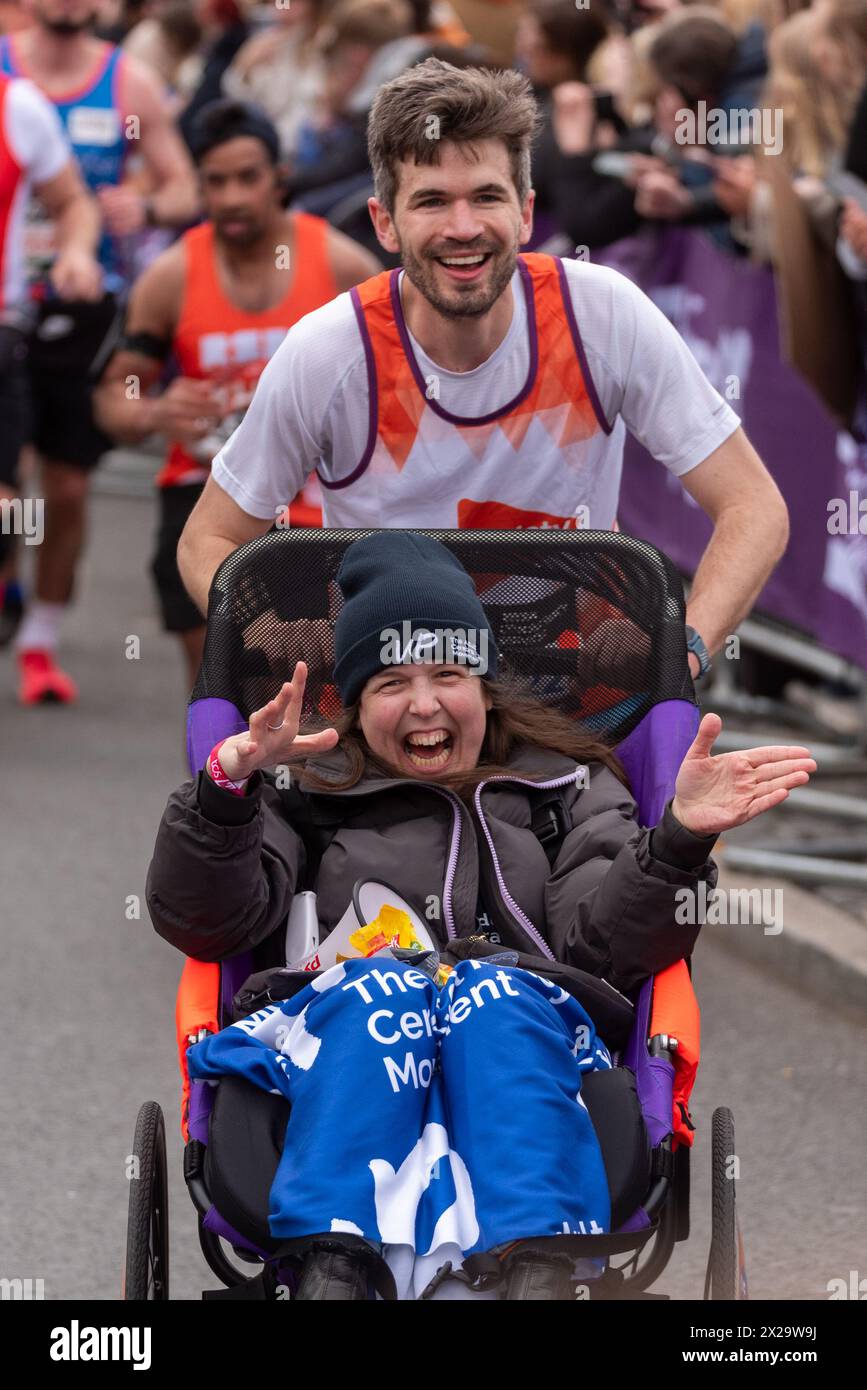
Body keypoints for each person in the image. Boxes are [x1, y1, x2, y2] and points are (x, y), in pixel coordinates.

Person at [146, 531, 816, 1299]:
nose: (425, 703)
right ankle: (337, 1264)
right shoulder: (304, 795)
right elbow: (207, 924)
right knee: (382, 995)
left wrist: (676, 842)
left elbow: (604, 951)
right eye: (391, 680)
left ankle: (537, 1266)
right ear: (358, 706)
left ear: (486, 686)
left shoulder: (568, 791)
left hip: (522, 1032)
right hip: (341, 1035)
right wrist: (226, 792)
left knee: (493, 997)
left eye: (448, 674)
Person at [176, 57, 790, 691]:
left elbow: (754, 507)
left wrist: (680, 651)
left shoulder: (602, 314)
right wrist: (276, 631)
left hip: (570, 707)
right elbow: (208, 539)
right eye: (432, 201)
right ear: (385, 222)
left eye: (486, 197)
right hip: (397, 712)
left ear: (526, 213)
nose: (463, 229)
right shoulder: (330, 352)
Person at [94, 99, 381, 691]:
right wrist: (152, 409)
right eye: (215, 182)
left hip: (313, 507)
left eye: (247, 177)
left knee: (318, 691)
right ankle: (212, 782)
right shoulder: (171, 275)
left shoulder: (340, 264)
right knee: (218, 684)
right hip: (204, 498)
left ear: (278, 178)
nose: (230, 198)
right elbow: (114, 399)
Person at [0, 0, 198, 703]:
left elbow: (182, 183)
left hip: (85, 309)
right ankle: (10, 581)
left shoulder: (126, 83)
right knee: (6, 485)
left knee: (67, 485)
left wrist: (144, 207)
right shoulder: (4, 70)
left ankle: (39, 643)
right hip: (7, 306)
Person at [0, 70, 102, 648]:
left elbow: (71, 202)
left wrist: (77, 252)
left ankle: (33, 623)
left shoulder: (16, 103)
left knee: (23, 498)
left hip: (7, 327)